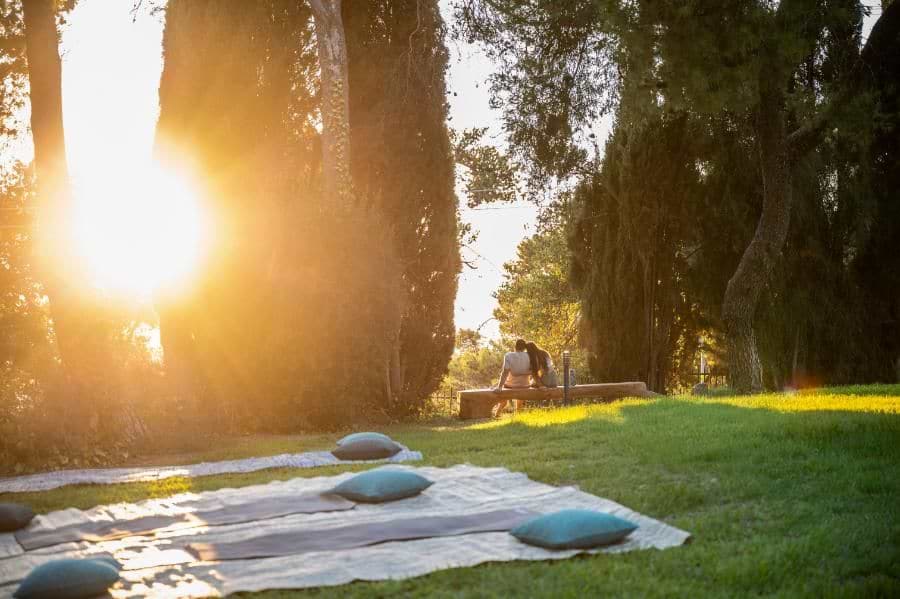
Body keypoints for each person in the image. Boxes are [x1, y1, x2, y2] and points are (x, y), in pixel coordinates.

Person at [493, 338, 531, 413]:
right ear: (524, 348)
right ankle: (518, 414)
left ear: (515, 347)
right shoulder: (529, 356)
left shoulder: (509, 355)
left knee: (503, 398)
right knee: (520, 398)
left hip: (510, 385)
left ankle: (497, 413)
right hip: (525, 385)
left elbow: (505, 373)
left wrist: (499, 387)